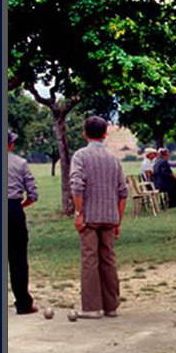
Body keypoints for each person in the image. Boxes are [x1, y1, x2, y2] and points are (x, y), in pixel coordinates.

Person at [69, 116, 128, 319]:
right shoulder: (113, 159)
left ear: (85, 134)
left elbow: (77, 185)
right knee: (109, 259)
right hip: (110, 217)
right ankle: (111, 305)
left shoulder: (80, 156)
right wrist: (118, 221)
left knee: (89, 260)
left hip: (89, 217)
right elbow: (123, 193)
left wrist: (79, 213)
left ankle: (92, 307)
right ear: (105, 134)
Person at [7, 130, 39, 315]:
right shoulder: (20, 163)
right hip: (13, 210)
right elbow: (33, 193)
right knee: (18, 258)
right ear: (10, 144)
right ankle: (23, 304)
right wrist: (21, 205)